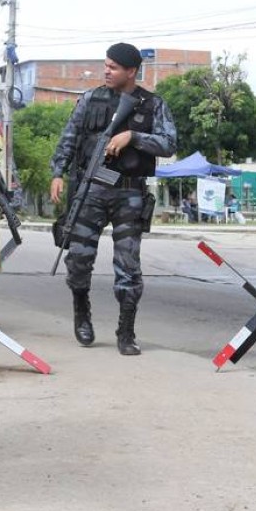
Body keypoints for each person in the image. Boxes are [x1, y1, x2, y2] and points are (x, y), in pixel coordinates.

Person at [49, 42, 177, 356]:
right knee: (78, 259)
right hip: (90, 189)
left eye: (114, 67)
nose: (107, 70)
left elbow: (169, 142)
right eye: (105, 65)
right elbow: (70, 136)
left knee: (128, 266)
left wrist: (133, 137)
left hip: (129, 193)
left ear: (131, 71)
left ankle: (126, 331)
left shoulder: (152, 104)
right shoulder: (90, 99)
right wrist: (57, 172)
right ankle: (82, 312)